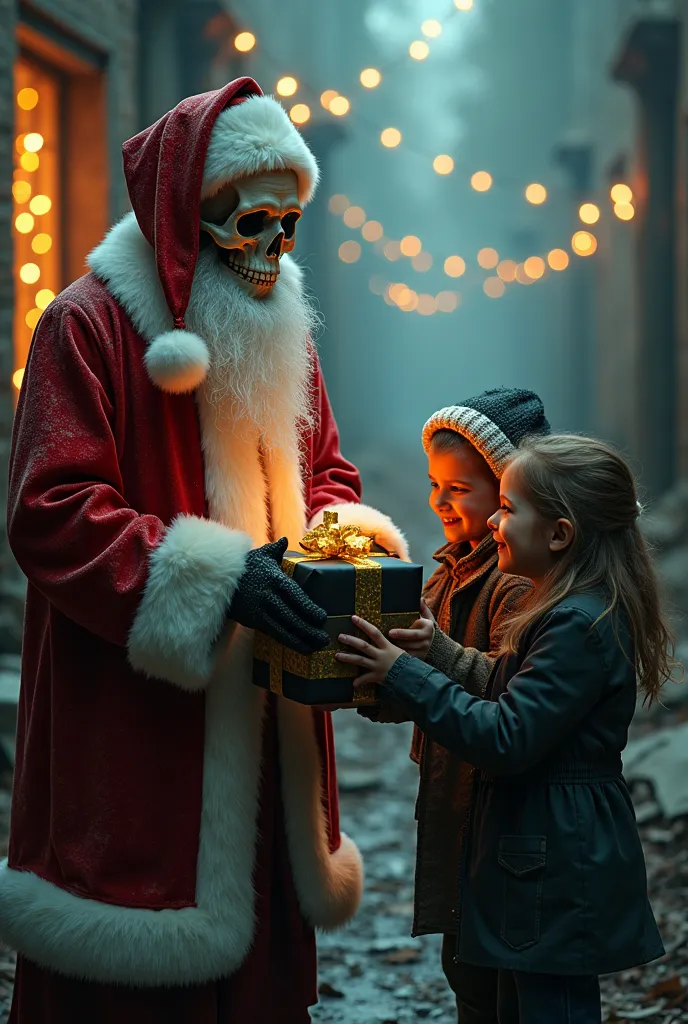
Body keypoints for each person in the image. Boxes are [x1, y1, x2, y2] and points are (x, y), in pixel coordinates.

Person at [0, 78, 408, 1024]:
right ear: (189, 219)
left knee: (259, 922)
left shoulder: (280, 333)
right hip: (140, 719)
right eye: (250, 224)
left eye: (290, 226)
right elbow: (51, 510)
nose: (272, 252)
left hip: (272, 701)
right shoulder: (86, 327)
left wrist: (341, 552)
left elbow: (328, 472)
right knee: (142, 940)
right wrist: (219, 580)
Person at [337, 434, 669, 1024]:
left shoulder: (575, 624)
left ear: (559, 534)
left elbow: (507, 736)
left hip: (558, 858)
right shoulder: (563, 611)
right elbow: (507, 688)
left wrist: (405, 675)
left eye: (510, 508)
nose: (493, 519)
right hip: (540, 852)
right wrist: (435, 652)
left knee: (550, 1009)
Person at [362, 388, 549, 1022]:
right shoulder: (444, 574)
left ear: (508, 494)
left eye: (460, 490)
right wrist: (364, 679)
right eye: (435, 486)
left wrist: (422, 658)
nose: (440, 502)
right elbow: (419, 688)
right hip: (451, 797)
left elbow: (504, 692)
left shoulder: (519, 582)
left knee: (509, 970)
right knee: (464, 962)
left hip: (505, 807)